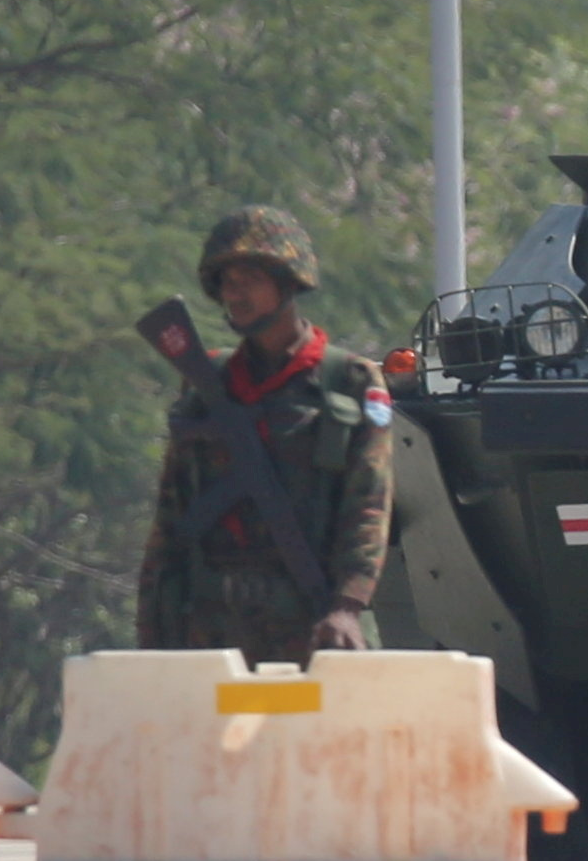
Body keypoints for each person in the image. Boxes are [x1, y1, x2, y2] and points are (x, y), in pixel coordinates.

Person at [137, 207, 395, 660]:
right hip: (210, 626)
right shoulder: (206, 384)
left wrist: (347, 607)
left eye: (250, 279)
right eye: (227, 282)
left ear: (288, 282)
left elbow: (368, 503)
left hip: (312, 622)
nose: (235, 293)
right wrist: (153, 622)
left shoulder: (349, 382)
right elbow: (171, 515)